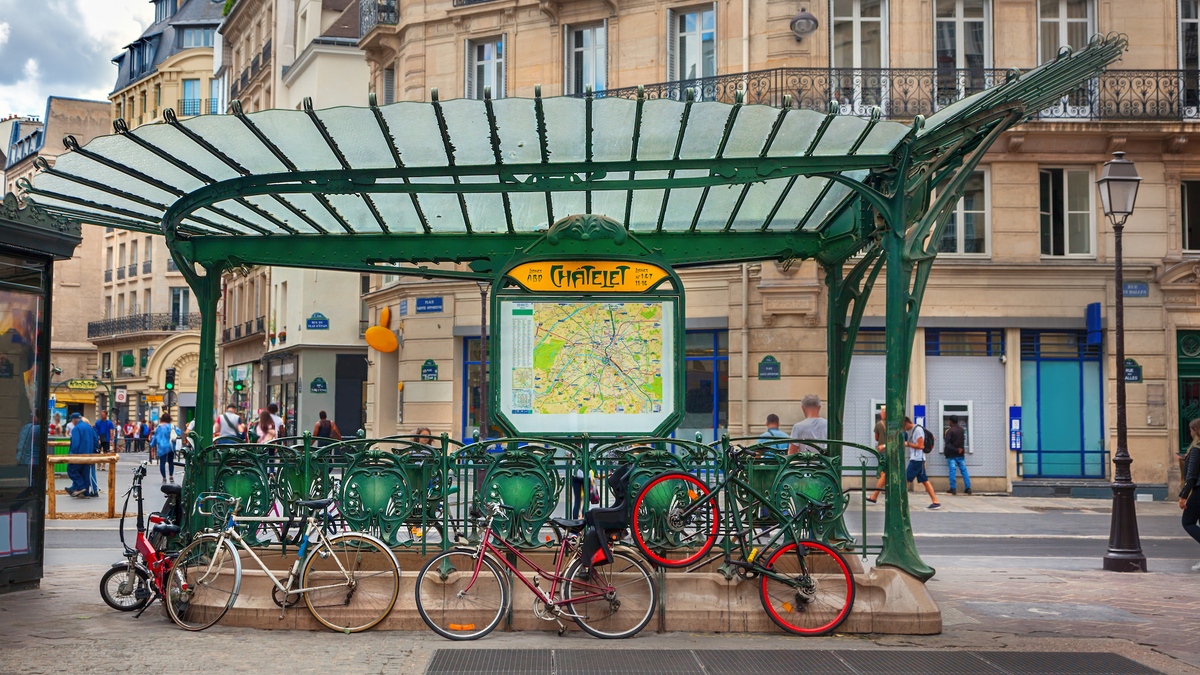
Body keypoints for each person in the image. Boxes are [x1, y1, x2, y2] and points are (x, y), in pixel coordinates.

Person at [903, 416, 940, 510]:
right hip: (919, 459)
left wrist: (907, 444)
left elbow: (920, 446)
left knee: (905, 479)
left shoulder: (917, 430)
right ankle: (935, 502)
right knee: (925, 481)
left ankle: (902, 502)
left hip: (917, 460)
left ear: (906, 423)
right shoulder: (914, 430)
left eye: (903, 426)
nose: (903, 429)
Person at [1181, 418, 1200, 571]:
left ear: (1195, 430)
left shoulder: (1197, 449)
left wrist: (1183, 496)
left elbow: (1191, 476)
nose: (1190, 433)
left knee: (1187, 522)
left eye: (1191, 430)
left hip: (1199, 491)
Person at [66, 413, 98, 498]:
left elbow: (75, 443)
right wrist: (92, 450)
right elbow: (96, 440)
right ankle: (85, 493)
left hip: (79, 455)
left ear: (73, 420)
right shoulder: (89, 427)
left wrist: (72, 454)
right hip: (88, 454)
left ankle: (80, 487)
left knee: (72, 470)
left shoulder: (76, 428)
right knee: (85, 473)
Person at [944, 414, 971, 495]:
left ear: (950, 422)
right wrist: (959, 449)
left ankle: (953, 488)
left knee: (952, 470)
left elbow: (948, 444)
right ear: (958, 421)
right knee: (964, 470)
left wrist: (955, 449)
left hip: (951, 454)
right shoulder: (962, 430)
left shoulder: (949, 431)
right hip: (960, 454)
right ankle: (968, 488)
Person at [151, 412, 181, 483]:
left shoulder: (159, 427)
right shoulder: (172, 426)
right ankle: (171, 476)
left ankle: (164, 478)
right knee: (170, 462)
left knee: (162, 463)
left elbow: (155, 437)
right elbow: (179, 432)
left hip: (162, 447)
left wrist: (152, 444)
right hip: (170, 446)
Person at [867, 408, 887, 503]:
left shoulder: (879, 424)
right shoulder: (893, 424)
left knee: (883, 473)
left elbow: (876, 438)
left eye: (882, 412)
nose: (881, 414)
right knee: (887, 472)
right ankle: (886, 489)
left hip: (882, 451)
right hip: (892, 452)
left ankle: (874, 496)